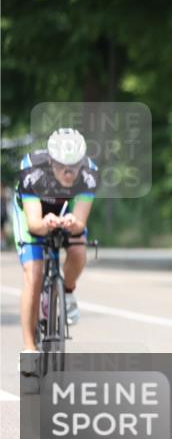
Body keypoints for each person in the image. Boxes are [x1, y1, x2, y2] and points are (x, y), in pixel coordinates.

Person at [13, 128, 99, 362]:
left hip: (64, 211)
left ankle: (68, 292)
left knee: (79, 249)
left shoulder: (89, 173)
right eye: (62, 166)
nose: (69, 173)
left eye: (74, 165)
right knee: (34, 273)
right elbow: (34, 225)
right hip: (33, 213)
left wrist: (74, 222)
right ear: (51, 160)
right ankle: (29, 348)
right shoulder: (32, 171)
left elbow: (80, 222)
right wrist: (45, 223)